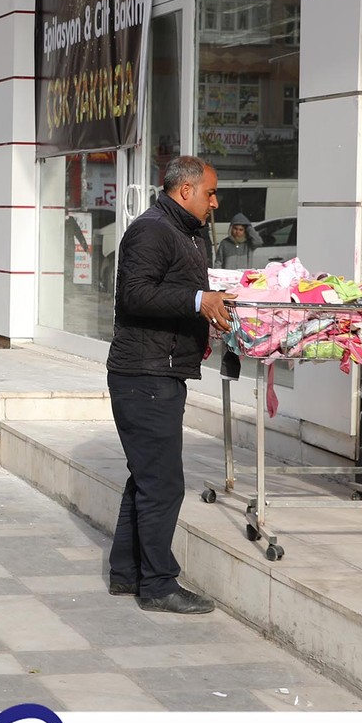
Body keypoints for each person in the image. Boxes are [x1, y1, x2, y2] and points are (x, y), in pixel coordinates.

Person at [106, 155, 231, 615]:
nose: (214, 203)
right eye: (210, 194)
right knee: (163, 484)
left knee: (146, 478)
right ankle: (158, 585)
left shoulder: (186, 231)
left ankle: (127, 572)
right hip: (145, 376)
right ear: (186, 191)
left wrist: (205, 311)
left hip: (161, 370)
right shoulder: (153, 230)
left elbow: (172, 291)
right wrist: (198, 301)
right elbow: (135, 294)